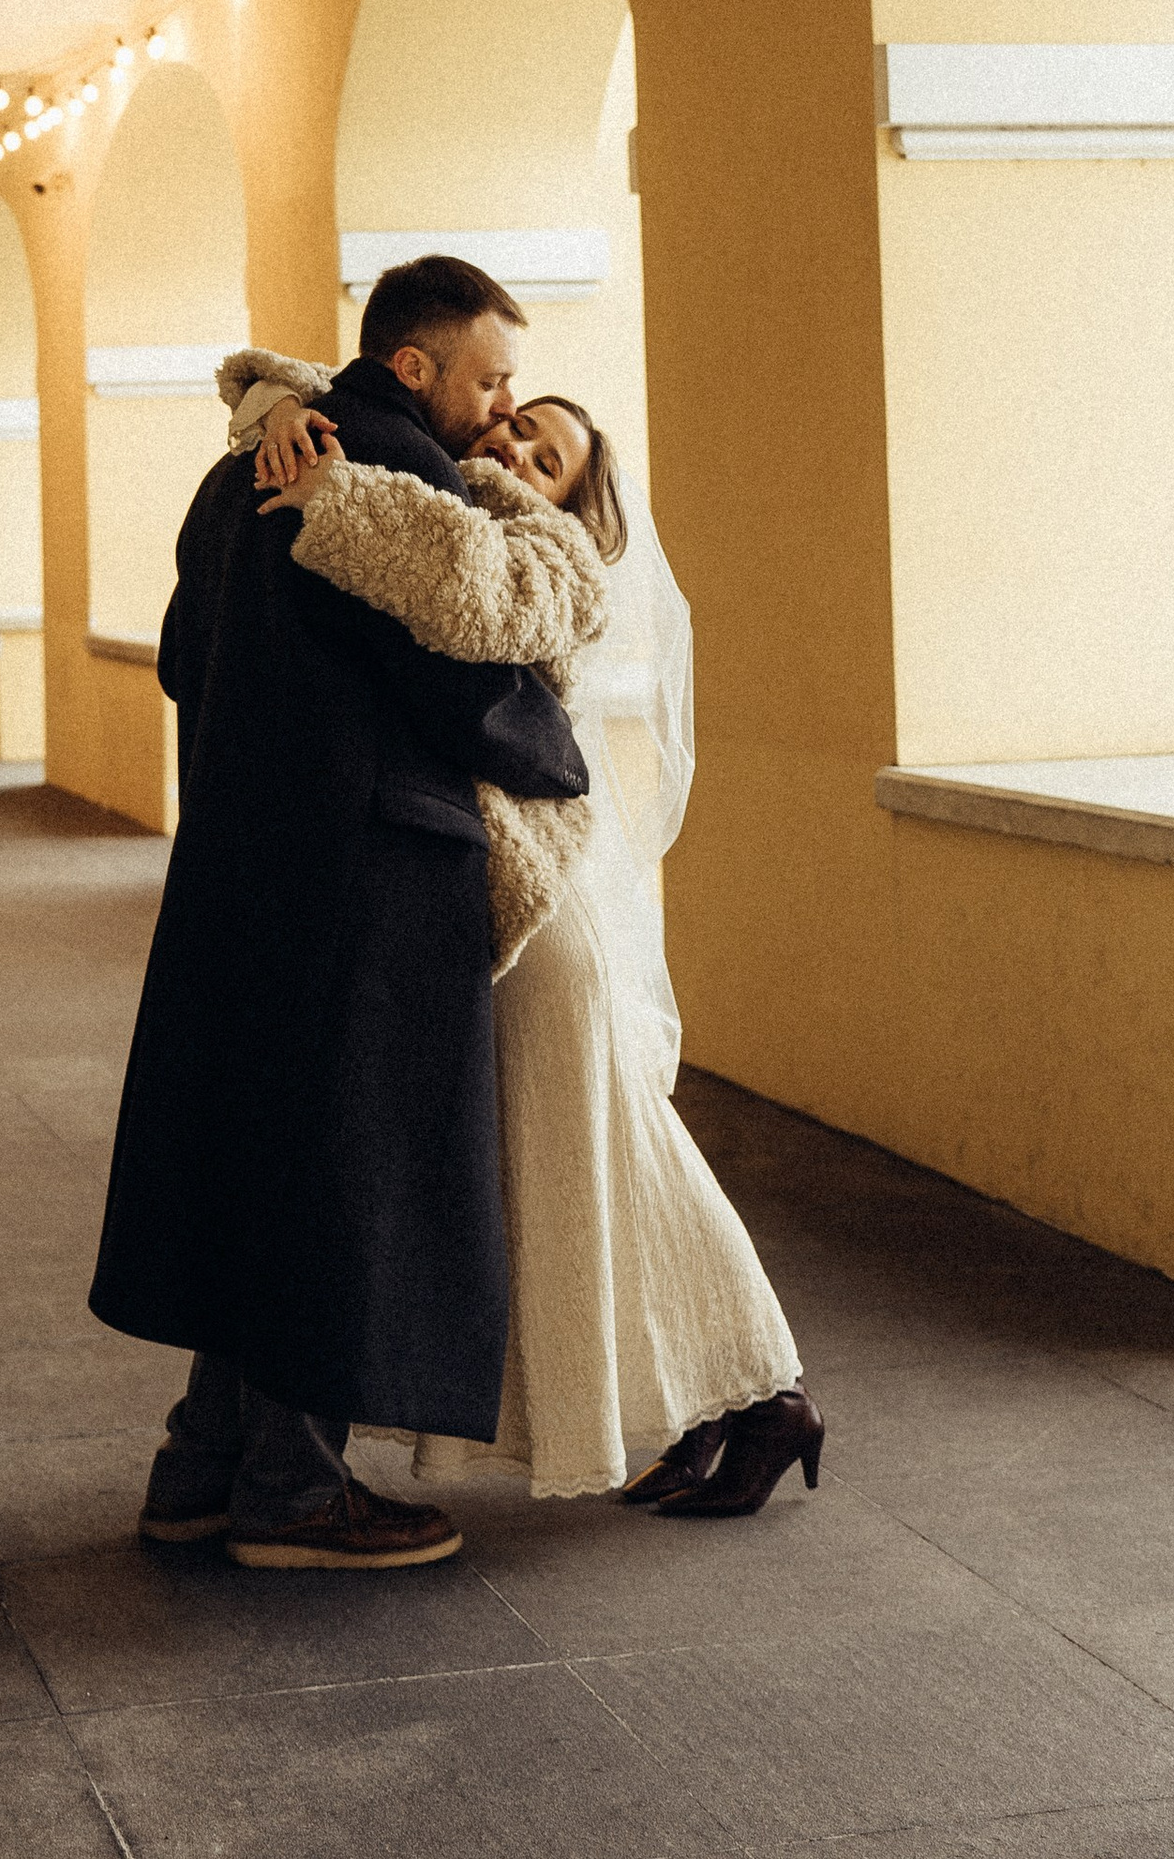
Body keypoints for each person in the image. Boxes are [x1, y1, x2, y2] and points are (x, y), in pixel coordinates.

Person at [238, 358, 823, 1517]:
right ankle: (731, 1406)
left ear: (569, 502)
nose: (509, 452)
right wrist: (271, 409)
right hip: (501, 907)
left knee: (595, 1166)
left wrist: (336, 478)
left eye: (540, 457)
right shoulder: (457, 502)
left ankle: (766, 1395)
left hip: (539, 916)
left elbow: (464, 616)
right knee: (594, 1166)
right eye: (511, 427)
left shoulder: (544, 571)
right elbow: (306, 381)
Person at [87, 255, 590, 1571]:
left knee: (260, 1162)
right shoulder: (391, 474)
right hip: (374, 881)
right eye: (491, 378)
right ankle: (296, 1496)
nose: (501, 406)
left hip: (243, 869)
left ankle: (203, 1466)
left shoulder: (240, 470)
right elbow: (463, 679)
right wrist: (550, 759)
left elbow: (184, 657)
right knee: (343, 1179)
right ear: (416, 366)